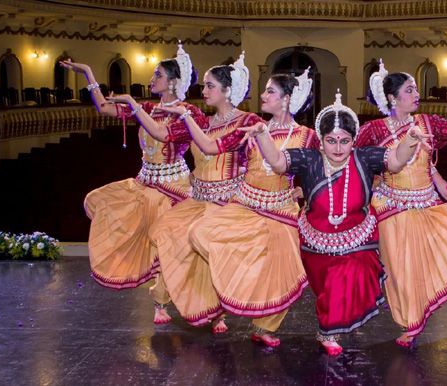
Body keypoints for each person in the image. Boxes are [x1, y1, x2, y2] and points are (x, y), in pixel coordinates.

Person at [240, 90, 430, 355]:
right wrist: (263, 134)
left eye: (344, 141)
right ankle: (302, 327)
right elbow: (278, 162)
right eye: (331, 141)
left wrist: (409, 139)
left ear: (353, 140)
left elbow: (396, 162)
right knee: (324, 291)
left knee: (342, 283)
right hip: (313, 241)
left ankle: (327, 333)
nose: (338, 148)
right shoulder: (310, 160)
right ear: (321, 141)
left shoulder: (364, 157)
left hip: (355, 239)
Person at [60, 44, 204, 324]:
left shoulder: (187, 113)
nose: (152, 80)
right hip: (145, 183)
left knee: (170, 246)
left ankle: (181, 303)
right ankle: (159, 302)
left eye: (157, 75)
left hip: (173, 188)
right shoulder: (148, 107)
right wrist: (88, 73)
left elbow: (162, 134)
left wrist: (135, 106)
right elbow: (105, 108)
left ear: (173, 82)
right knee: (104, 203)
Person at [187, 68, 316, 347]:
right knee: (199, 233)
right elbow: (220, 151)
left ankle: (264, 328)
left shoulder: (307, 135)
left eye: (270, 91)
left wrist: (303, 188)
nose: (262, 95)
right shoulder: (253, 127)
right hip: (245, 204)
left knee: (283, 271)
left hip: (281, 210)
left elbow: (321, 170)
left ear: (287, 99)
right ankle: (234, 286)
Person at [355, 60, 447, 346]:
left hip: (426, 206)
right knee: (400, 270)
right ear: (392, 98)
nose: (416, 95)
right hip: (391, 209)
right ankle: (409, 322)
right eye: (409, 90)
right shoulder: (373, 129)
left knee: (422, 266)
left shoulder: (428, 123)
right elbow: (357, 163)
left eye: (415, 90)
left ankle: (415, 317)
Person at [148, 53, 261, 332]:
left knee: (206, 242)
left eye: (210, 86)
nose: (204, 90)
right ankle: (161, 300)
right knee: (166, 233)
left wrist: (186, 116)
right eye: (204, 85)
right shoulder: (203, 121)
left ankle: (217, 311)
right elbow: (165, 136)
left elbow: (213, 148)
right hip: (197, 198)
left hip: (226, 203)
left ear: (228, 91)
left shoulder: (246, 121)